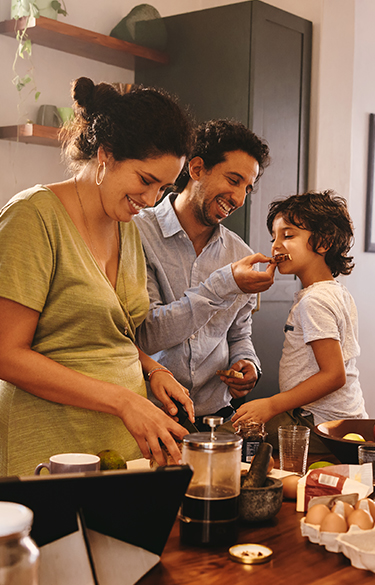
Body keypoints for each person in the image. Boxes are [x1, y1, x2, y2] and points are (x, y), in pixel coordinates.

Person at [0, 77, 196, 476]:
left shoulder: (126, 224)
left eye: (164, 187)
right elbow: (6, 353)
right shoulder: (33, 217)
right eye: (145, 180)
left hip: (122, 447)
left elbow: (104, 332)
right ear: (105, 155)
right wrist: (123, 401)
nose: (152, 200)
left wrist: (151, 369)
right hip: (49, 450)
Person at [134, 119, 276, 430]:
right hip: (149, 418)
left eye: (247, 188)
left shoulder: (239, 254)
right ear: (197, 169)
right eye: (233, 180)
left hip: (216, 419)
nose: (239, 199)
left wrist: (249, 365)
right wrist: (224, 284)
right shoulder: (136, 233)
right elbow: (147, 334)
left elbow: (239, 334)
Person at [232, 190, 368, 451]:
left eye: (288, 235)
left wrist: (271, 404)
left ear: (324, 243)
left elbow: (334, 375)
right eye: (274, 238)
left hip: (317, 424)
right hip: (331, 419)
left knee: (235, 440)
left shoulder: (314, 301)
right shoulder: (334, 291)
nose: (276, 246)